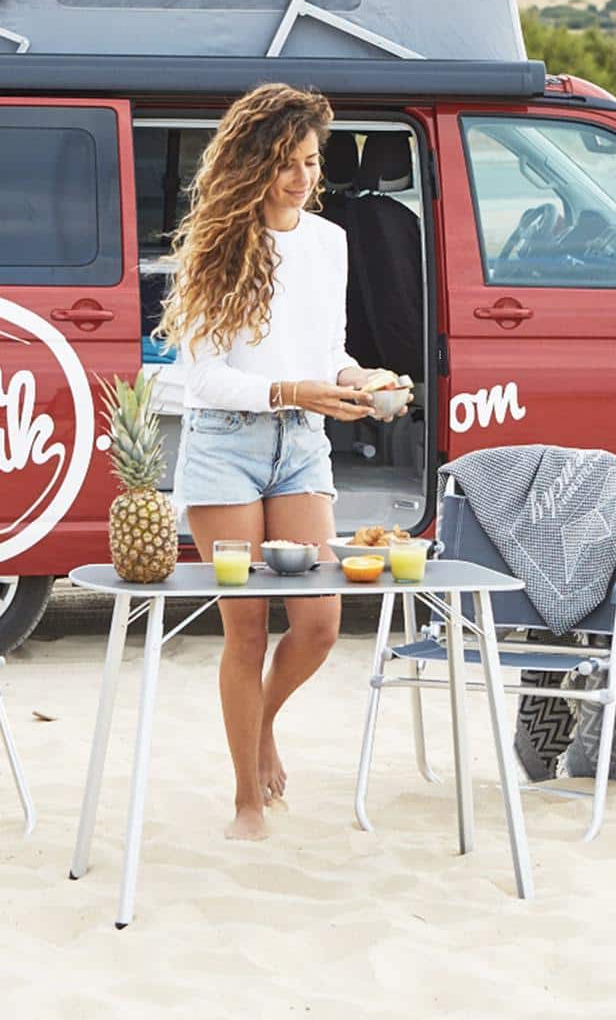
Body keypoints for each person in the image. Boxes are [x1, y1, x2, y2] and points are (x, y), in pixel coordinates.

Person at [157, 83, 409, 842]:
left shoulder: (328, 242)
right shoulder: (215, 243)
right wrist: (293, 387)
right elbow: (204, 378)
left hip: (302, 442)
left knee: (321, 622)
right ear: (250, 164)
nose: (303, 178)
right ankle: (245, 801)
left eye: (310, 162)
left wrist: (357, 380)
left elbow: (327, 351)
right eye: (286, 163)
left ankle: (261, 724)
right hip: (226, 446)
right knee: (245, 631)